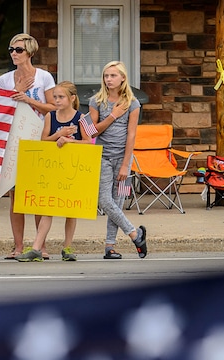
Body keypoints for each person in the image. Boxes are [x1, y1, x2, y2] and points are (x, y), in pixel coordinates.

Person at [0, 33, 56, 260]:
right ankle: (18, 247)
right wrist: (14, 92)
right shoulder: (4, 80)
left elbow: (52, 107)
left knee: (38, 195)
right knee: (16, 195)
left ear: (30, 52)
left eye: (18, 50)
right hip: (15, 140)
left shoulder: (44, 77)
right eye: (11, 49)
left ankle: (40, 246)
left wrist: (28, 98)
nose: (13, 53)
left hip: (39, 139)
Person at [15, 81, 91, 262]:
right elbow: (44, 141)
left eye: (61, 97)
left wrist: (71, 141)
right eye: (55, 97)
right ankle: (36, 247)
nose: (56, 100)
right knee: (48, 208)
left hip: (73, 168)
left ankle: (68, 247)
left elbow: (90, 142)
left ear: (72, 98)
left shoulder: (84, 117)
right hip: (53, 169)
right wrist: (59, 135)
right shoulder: (50, 116)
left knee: (71, 210)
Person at [88, 60, 147, 259]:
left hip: (124, 160)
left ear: (123, 78)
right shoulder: (96, 101)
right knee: (105, 200)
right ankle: (134, 233)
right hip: (103, 156)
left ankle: (110, 246)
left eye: (113, 75)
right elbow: (92, 131)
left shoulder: (133, 103)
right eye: (106, 76)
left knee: (117, 201)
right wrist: (113, 115)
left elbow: (131, 135)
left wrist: (125, 165)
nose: (109, 79)